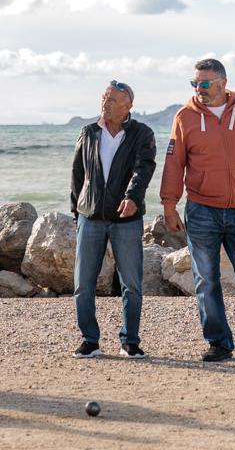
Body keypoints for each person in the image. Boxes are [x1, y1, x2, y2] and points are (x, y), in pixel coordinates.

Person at [160, 58, 235, 368]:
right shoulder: (185, 116)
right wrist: (169, 204)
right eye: (195, 84)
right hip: (202, 211)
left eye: (204, 83)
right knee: (206, 281)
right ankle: (218, 344)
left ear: (222, 83)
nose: (198, 89)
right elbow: (174, 164)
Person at [69, 80, 157, 359]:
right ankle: (89, 341)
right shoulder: (88, 132)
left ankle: (129, 342)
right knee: (83, 283)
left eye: (111, 100)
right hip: (90, 217)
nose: (104, 104)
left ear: (127, 106)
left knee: (131, 283)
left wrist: (132, 197)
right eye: (104, 98)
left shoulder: (142, 133)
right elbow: (77, 177)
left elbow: (143, 169)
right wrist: (77, 213)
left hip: (126, 220)